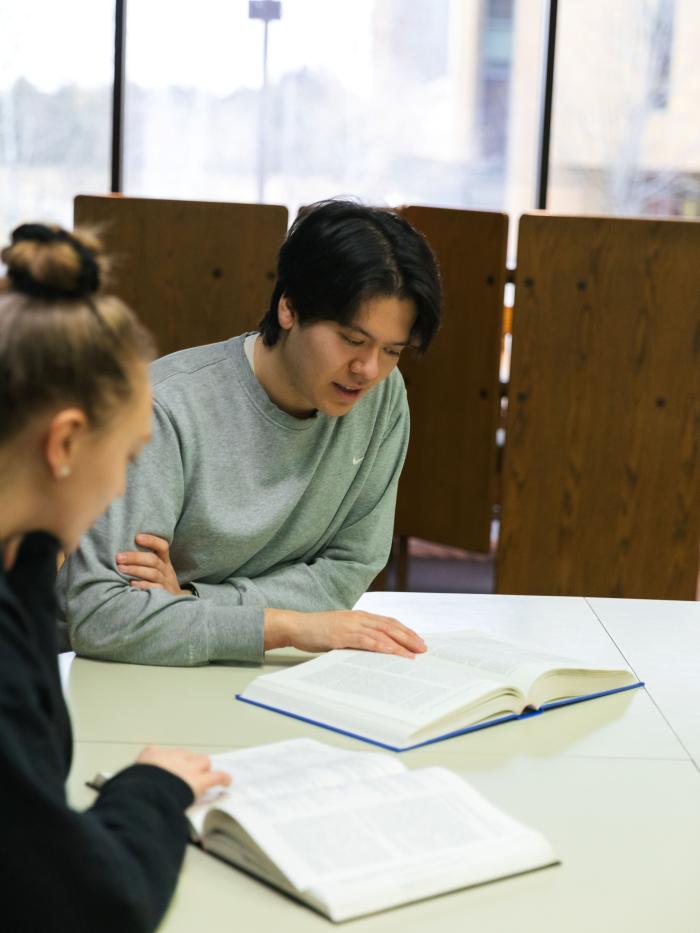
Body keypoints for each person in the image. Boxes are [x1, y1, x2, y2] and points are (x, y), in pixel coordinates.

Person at [58, 199, 442, 666]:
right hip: (124, 678)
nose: (368, 370)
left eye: (393, 350)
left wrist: (194, 601)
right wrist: (288, 625)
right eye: (352, 340)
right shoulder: (161, 409)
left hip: (255, 674)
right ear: (289, 308)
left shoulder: (382, 399)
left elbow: (347, 571)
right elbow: (104, 616)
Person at [0, 223, 230, 931]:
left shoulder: (19, 565)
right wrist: (153, 789)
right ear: (65, 442)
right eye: (128, 453)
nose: (125, 482)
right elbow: (100, 906)